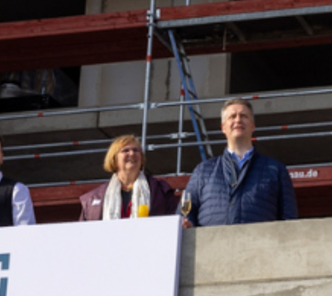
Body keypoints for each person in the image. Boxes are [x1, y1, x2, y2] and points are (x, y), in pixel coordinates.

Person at [180, 97, 297, 227]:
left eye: (243, 116)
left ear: (253, 126)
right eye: (232, 117)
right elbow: (185, 212)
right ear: (223, 128)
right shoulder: (203, 171)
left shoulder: (276, 170)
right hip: (211, 246)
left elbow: (289, 221)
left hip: (260, 246)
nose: (238, 120)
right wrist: (186, 224)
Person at [79, 134, 177, 221]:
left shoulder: (160, 191)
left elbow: (175, 220)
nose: (132, 153)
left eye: (136, 150)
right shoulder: (94, 198)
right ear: (114, 159)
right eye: (125, 150)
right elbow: (81, 233)